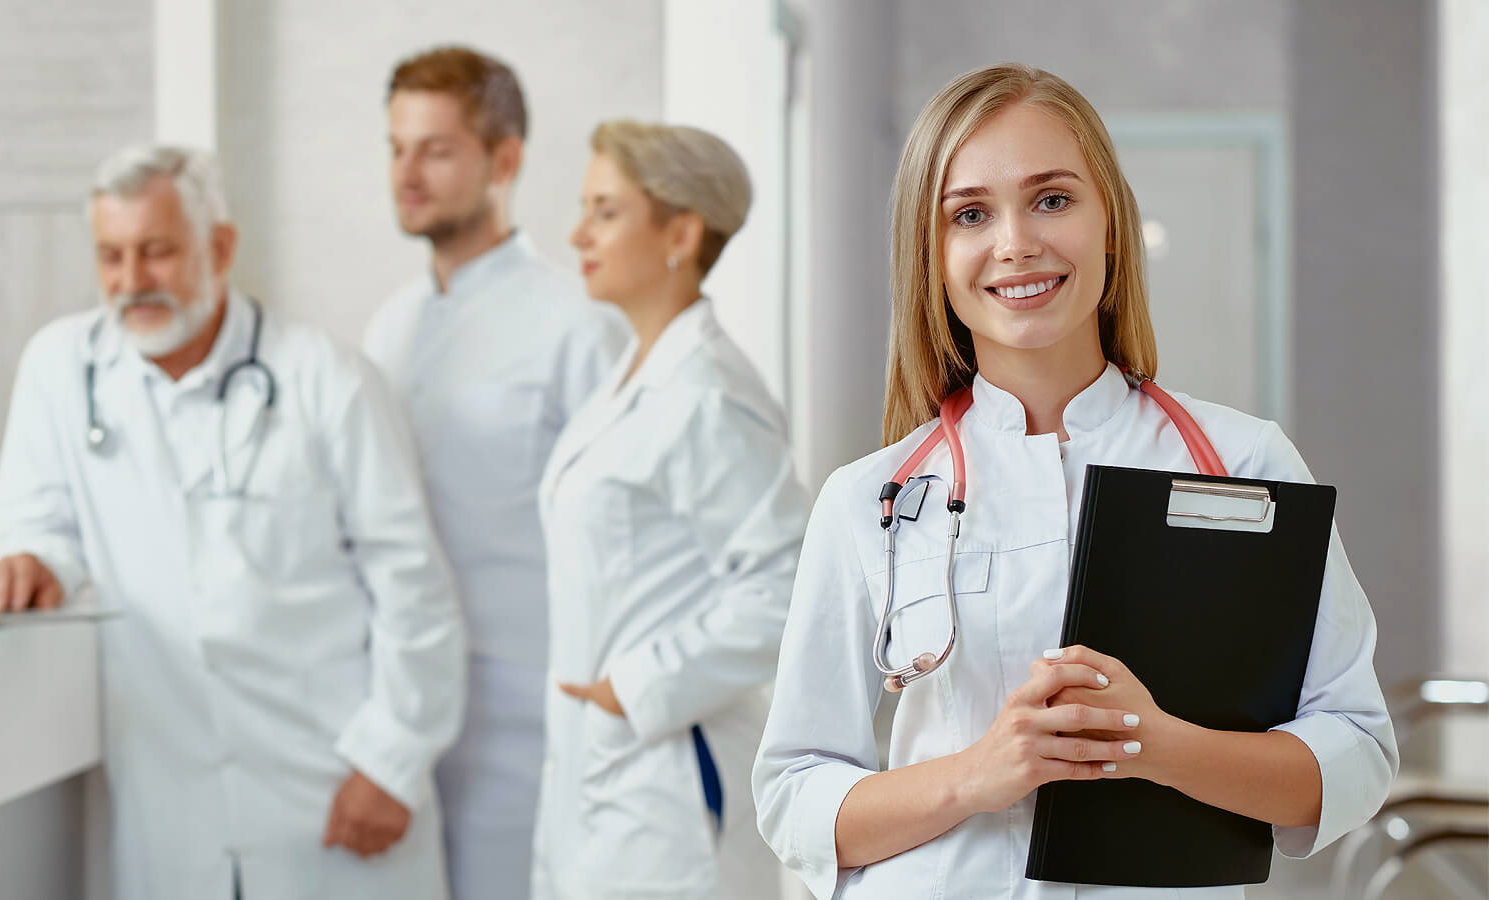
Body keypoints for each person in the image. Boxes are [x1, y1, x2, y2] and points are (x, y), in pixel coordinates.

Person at [752, 64, 1397, 899]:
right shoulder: (870, 501)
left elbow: (1355, 752)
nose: (1016, 242)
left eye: (1052, 199)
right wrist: (976, 773)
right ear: (933, 256)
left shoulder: (1245, 466)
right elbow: (794, 794)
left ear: (1111, 227)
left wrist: (1152, 742)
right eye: (971, 214)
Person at [0, 144, 466, 900]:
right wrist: (31, 562)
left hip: (332, 786)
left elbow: (414, 588)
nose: (131, 281)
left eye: (157, 252)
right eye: (110, 256)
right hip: (170, 806)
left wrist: (392, 764)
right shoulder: (60, 369)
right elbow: (38, 524)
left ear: (222, 246)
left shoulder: (326, 380)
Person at [361, 45, 627, 900]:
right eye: (397, 147)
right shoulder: (388, 331)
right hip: (402, 723)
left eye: (435, 150)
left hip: (533, 731)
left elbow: (626, 541)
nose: (407, 173)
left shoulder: (579, 325)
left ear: (504, 159)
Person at [530, 120, 810, 900]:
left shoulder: (708, 394)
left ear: (680, 232)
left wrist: (640, 685)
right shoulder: (635, 374)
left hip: (666, 781)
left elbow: (789, 589)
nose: (577, 232)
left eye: (605, 210)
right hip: (602, 777)